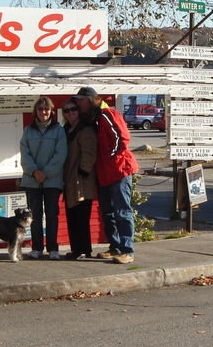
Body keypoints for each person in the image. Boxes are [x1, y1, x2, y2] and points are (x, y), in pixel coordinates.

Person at [74, 87, 139, 264]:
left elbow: (122, 139)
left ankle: (127, 250)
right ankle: (115, 247)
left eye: (81, 99)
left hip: (119, 171)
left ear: (91, 99)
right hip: (104, 174)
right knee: (108, 212)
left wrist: (111, 158)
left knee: (122, 211)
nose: (78, 103)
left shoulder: (107, 114)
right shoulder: (93, 119)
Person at [20, 97, 68, 260]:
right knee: (34, 216)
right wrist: (34, 172)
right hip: (31, 180)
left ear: (52, 111)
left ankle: (53, 248)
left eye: (46, 109)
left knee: (52, 214)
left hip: (52, 180)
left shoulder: (58, 131)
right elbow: (24, 154)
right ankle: (37, 247)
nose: (43, 112)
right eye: (40, 109)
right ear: (36, 111)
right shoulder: (28, 131)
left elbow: (60, 154)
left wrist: (46, 172)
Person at [61, 98, 97, 260]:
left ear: (79, 110)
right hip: (69, 180)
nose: (70, 113)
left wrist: (83, 171)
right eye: (66, 111)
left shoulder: (85, 129)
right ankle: (76, 249)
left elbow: (89, 153)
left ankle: (84, 249)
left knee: (82, 217)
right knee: (72, 216)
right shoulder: (66, 129)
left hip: (81, 181)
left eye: (73, 109)